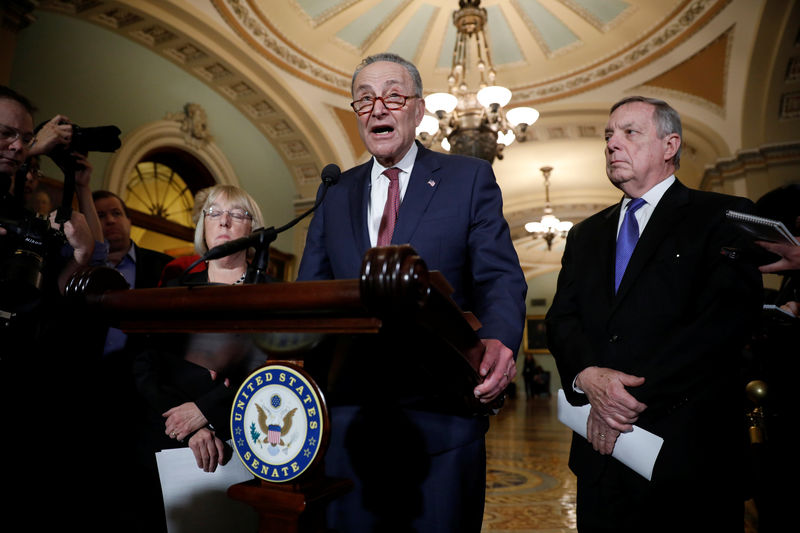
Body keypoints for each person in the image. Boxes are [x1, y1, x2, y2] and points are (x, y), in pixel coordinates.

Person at [296, 53, 527, 532]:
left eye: (393, 96)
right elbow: (311, 293)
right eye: (364, 99)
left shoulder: (468, 178)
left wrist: (502, 341)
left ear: (418, 110)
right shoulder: (334, 193)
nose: (378, 108)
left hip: (441, 416)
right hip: (349, 421)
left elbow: (499, 276)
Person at [545, 95, 763, 532]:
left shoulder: (720, 217)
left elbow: (723, 324)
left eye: (629, 132)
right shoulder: (585, 235)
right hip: (600, 457)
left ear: (670, 146)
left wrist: (618, 402)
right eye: (608, 135)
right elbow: (561, 319)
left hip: (689, 454)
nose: (612, 143)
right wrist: (587, 376)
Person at [131, 184, 266, 532]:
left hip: (244, 437)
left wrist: (206, 411)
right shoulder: (174, 290)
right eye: (215, 213)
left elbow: (269, 372)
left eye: (237, 214)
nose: (224, 222)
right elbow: (146, 368)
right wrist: (190, 427)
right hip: (168, 436)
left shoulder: (271, 293)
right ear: (203, 226)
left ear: (252, 229)